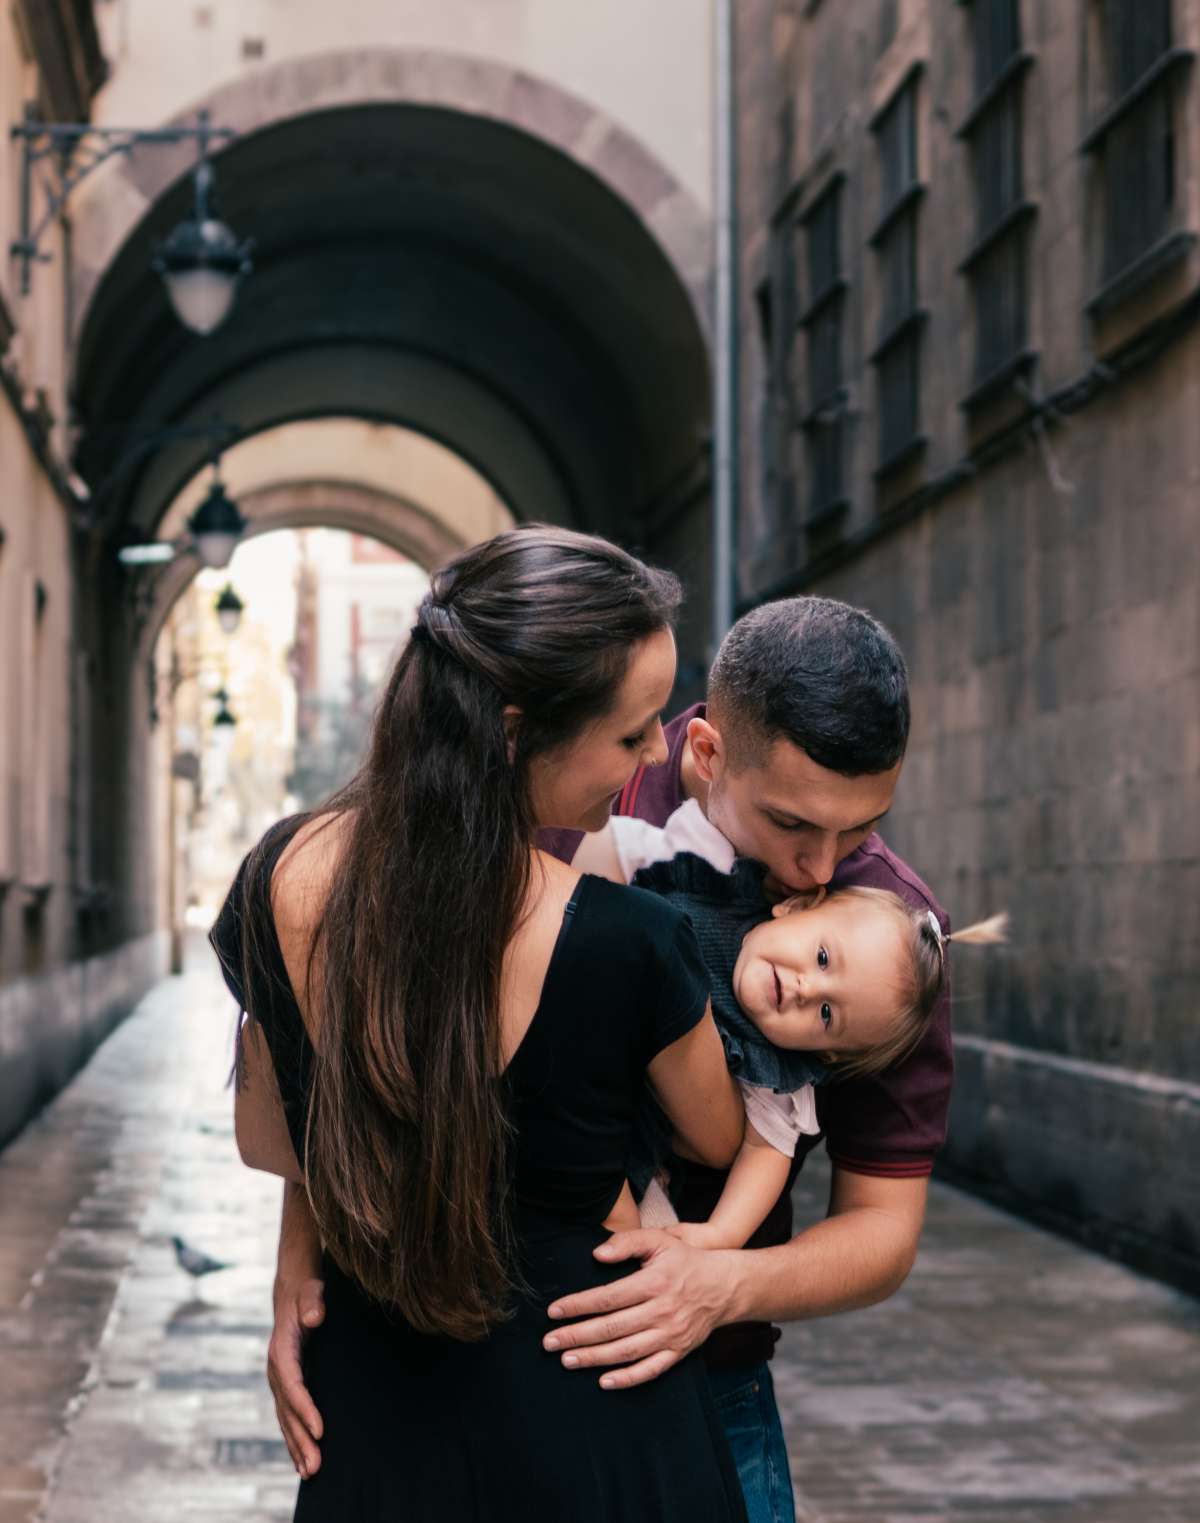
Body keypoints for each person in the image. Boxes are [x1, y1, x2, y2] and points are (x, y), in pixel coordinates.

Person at [269, 594, 954, 1523]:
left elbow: (882, 1229)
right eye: (795, 824)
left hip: (698, 1365)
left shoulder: (887, 941)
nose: (823, 867)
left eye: (862, 827)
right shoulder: (571, 791)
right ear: (705, 753)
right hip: (439, 1346)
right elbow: (350, 1022)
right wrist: (297, 1262)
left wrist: (720, 1281)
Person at [210, 525, 749, 1521]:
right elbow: (718, 1133)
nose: (655, 755)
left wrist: (299, 1254)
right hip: (593, 1406)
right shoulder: (627, 938)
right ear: (511, 730)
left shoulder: (275, 878)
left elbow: (274, 1135)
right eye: (632, 733)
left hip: (370, 1419)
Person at [582, 797, 1004, 1248]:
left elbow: (764, 1154)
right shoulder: (708, 877)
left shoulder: (779, 1080)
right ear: (797, 907)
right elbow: (610, 848)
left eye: (827, 1014)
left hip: (618, 1147)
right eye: (822, 958)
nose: (807, 989)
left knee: (642, 1239)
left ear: (826, 1053)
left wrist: (716, 1237)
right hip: (571, 1009)